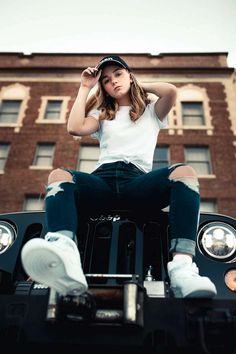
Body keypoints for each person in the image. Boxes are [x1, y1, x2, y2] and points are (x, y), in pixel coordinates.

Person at [21, 55, 217, 298]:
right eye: (105, 80)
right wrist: (85, 87)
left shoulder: (151, 112)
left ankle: (183, 269)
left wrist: (135, 84)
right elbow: (74, 128)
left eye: (118, 74)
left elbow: (171, 91)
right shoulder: (103, 114)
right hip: (102, 180)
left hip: (137, 182)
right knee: (59, 175)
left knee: (185, 172)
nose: (112, 81)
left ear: (129, 74)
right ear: (101, 87)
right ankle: (65, 256)